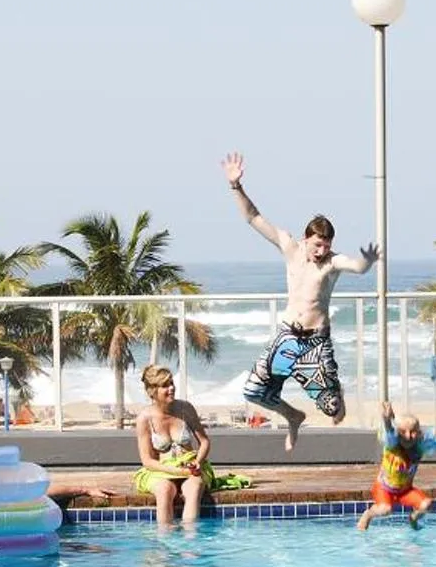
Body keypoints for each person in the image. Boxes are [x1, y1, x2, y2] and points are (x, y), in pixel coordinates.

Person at [223, 152, 380, 451]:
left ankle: (336, 392)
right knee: (254, 392)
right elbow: (253, 216)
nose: (321, 251)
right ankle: (293, 416)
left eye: (327, 246)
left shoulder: (332, 263)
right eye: (318, 244)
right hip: (286, 338)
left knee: (334, 409)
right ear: (306, 238)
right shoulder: (290, 247)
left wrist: (368, 261)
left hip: (315, 343)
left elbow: (357, 267)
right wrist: (235, 186)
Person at [133, 364, 212, 530]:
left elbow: (204, 442)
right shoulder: (144, 418)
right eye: (165, 386)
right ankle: (165, 545)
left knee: (194, 488)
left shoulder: (185, 409)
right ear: (152, 391)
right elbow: (147, 461)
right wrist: (176, 471)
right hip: (161, 470)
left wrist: (198, 461)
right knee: (163, 491)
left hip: (190, 467)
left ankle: (190, 543)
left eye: (171, 383)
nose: (171, 388)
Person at [359, 401, 436, 530]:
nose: (408, 436)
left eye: (413, 431)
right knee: (385, 509)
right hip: (384, 488)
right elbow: (389, 431)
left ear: (419, 432)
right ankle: (368, 515)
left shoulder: (419, 446)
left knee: (427, 504)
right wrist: (387, 419)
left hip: (405, 491)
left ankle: (413, 518)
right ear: (398, 433)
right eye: (403, 432)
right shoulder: (393, 444)